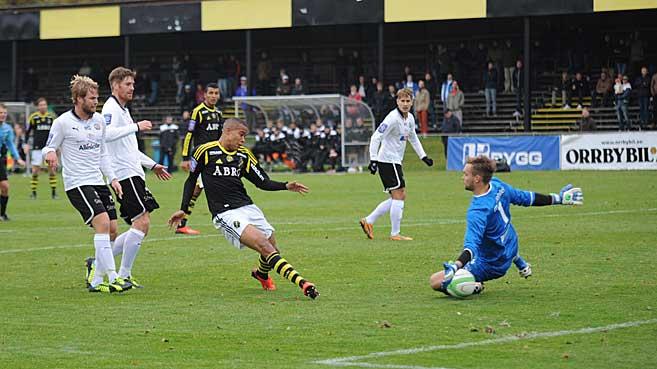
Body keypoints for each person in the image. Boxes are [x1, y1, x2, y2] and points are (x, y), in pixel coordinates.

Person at [168, 118, 319, 299]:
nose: (243, 140)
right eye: (241, 135)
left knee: (272, 249)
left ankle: (261, 274)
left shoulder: (243, 155)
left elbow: (262, 182)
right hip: (225, 212)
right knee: (264, 246)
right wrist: (184, 209)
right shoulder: (204, 151)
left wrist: (286, 185)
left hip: (247, 207)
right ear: (228, 131)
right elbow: (191, 179)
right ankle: (303, 283)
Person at [429, 156, 583, 296]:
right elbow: (525, 198)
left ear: (477, 179)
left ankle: (475, 286)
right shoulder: (497, 186)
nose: (462, 177)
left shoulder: (478, 211)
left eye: (466, 174)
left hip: (493, 264)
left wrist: (455, 267)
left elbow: (471, 247)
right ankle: (517, 261)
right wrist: (559, 198)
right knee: (499, 231)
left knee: (436, 281)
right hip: (511, 244)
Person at [42, 75, 132, 293]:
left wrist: (112, 179)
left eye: (97, 98)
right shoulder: (63, 122)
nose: (95, 102)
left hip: (98, 181)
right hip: (77, 183)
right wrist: (51, 154)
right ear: (78, 99)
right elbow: (48, 147)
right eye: (91, 98)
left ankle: (95, 279)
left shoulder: (99, 121)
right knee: (101, 223)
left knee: (112, 229)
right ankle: (113, 277)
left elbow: (103, 154)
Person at [96, 66, 172, 289]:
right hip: (124, 174)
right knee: (142, 222)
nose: (132, 88)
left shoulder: (124, 111)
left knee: (142, 223)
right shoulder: (110, 108)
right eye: (128, 84)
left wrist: (152, 164)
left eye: (132, 84)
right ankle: (124, 273)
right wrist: (136, 127)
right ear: (115, 86)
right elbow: (106, 135)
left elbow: (129, 149)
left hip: (134, 172)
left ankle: (100, 262)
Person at [359, 88, 434, 241]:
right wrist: (373, 160)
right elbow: (376, 137)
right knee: (399, 194)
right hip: (387, 160)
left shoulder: (410, 118)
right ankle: (395, 234)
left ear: (412, 102)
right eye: (402, 101)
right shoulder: (392, 118)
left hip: (395, 161)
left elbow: (413, 138)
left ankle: (369, 220)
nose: (405, 104)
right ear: (397, 102)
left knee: (399, 195)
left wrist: (423, 156)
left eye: (408, 101)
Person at [179, 82, 223, 235]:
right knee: (196, 187)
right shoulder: (198, 111)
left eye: (216, 93)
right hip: (200, 157)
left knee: (200, 189)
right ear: (204, 95)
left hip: (213, 158)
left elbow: (220, 138)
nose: (213, 96)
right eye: (210, 93)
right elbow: (189, 134)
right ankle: (181, 222)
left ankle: (182, 222)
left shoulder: (218, 114)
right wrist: (185, 157)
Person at [26, 98, 57, 199]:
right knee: (35, 171)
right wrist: (26, 144)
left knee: (51, 170)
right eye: (41, 105)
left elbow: (56, 132)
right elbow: (27, 131)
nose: (43, 106)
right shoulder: (33, 118)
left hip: (48, 148)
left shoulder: (51, 117)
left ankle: (54, 193)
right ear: (38, 106)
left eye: (44, 105)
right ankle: (33, 193)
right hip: (37, 148)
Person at [0, 103, 26, 221]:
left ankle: (2, 213)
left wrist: (18, 158)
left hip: (1, 160)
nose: (3, 115)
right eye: (0, 113)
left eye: (4, 113)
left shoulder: (7, 129)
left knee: (5, 187)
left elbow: (10, 144)